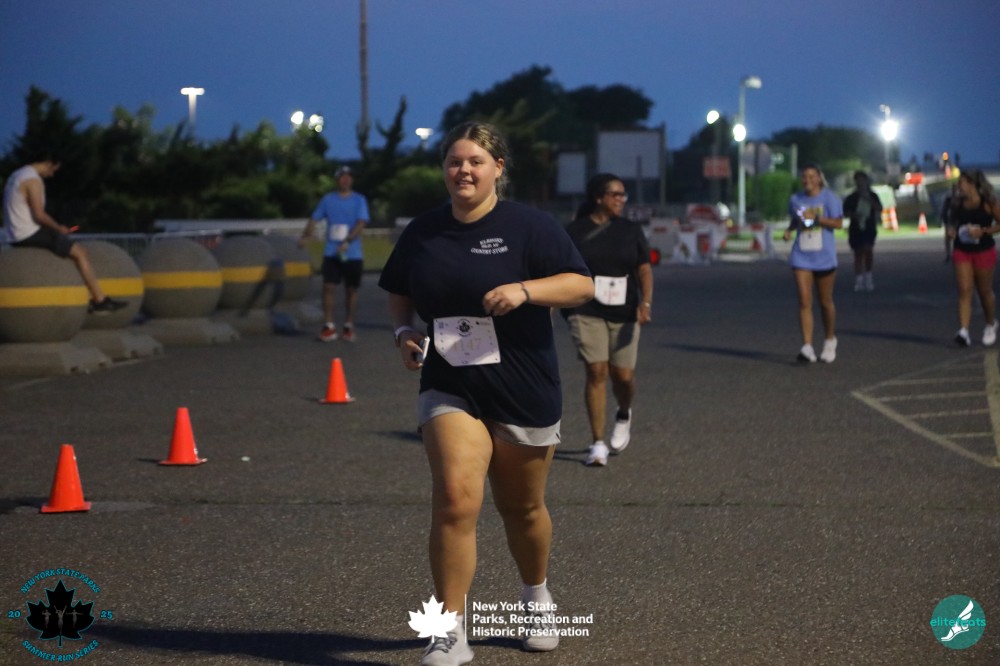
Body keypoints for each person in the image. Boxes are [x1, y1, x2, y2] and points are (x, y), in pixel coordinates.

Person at [379, 121, 593, 666]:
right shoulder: (423, 232)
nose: (464, 170)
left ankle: (536, 597)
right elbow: (399, 289)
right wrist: (403, 332)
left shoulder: (529, 226)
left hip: (524, 385)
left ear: (498, 168)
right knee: (454, 499)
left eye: (475, 161)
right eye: (455, 161)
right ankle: (448, 632)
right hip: (451, 382)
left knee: (522, 508)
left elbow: (581, 284)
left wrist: (525, 290)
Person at [562, 173, 653, 467]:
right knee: (596, 371)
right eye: (616, 194)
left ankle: (624, 412)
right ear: (598, 198)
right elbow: (561, 270)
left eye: (623, 195)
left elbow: (644, 269)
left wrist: (645, 302)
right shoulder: (574, 231)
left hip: (625, 311)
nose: (621, 200)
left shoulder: (630, 230)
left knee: (623, 377)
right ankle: (597, 443)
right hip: (586, 309)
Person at [2, 153, 126, 314]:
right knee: (80, 253)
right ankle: (100, 301)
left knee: (68, 248)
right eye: (53, 170)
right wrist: (58, 228)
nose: (52, 174)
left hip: (13, 233)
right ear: (48, 162)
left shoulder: (16, 175)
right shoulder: (33, 180)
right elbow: (39, 215)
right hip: (27, 233)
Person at [782, 164, 844, 363]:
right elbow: (795, 219)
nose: (807, 180)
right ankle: (807, 346)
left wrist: (817, 218)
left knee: (825, 302)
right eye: (804, 176)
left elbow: (838, 223)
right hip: (801, 255)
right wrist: (790, 230)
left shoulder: (830, 198)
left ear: (819, 178)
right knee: (804, 300)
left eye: (811, 176)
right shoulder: (796, 199)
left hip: (824, 256)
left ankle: (829, 339)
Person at [299, 165, 369, 342]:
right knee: (328, 286)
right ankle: (329, 325)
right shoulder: (328, 200)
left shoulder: (359, 200)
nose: (345, 180)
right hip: (332, 251)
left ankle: (348, 325)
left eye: (348, 177)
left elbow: (361, 223)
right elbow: (314, 219)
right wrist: (306, 235)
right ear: (337, 180)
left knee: (351, 289)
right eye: (342, 177)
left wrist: (347, 241)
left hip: (352, 252)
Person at [946, 169, 1000, 347]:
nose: (958, 185)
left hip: (984, 250)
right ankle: (964, 331)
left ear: (972, 184)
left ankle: (990, 324)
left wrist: (983, 231)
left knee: (984, 291)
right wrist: (951, 231)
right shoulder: (957, 203)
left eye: (961, 182)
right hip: (962, 250)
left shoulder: (988, 202)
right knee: (964, 290)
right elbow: (952, 223)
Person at [842, 170, 882, 292]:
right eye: (858, 180)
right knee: (858, 253)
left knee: (868, 250)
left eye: (862, 180)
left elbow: (879, 208)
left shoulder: (873, 195)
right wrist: (854, 215)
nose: (860, 182)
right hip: (856, 228)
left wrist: (869, 199)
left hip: (869, 227)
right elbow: (845, 212)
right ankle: (859, 279)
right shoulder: (851, 197)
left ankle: (868, 277)